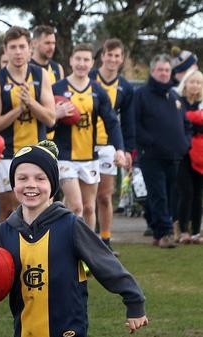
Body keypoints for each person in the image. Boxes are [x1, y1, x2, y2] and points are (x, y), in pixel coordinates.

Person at [0, 140, 148, 337]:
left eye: (40, 178)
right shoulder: (4, 233)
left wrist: (134, 302)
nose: (31, 185)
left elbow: (107, 265)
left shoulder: (70, 226)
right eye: (22, 178)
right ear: (13, 182)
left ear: (53, 184)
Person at [0, 26, 56, 224]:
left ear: (30, 48)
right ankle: (1, 254)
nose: (18, 52)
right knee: (9, 210)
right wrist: (18, 110)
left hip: (38, 152)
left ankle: (40, 253)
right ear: (5, 50)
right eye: (13, 47)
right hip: (7, 154)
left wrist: (31, 103)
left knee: (43, 209)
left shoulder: (41, 76)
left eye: (22, 46)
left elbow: (51, 119)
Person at [52, 43, 125, 230]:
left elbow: (111, 122)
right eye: (78, 59)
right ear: (70, 61)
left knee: (88, 208)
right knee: (75, 206)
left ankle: (88, 251)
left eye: (86, 60)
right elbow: (45, 121)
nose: (81, 64)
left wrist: (120, 149)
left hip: (90, 157)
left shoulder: (97, 91)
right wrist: (55, 115)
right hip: (65, 157)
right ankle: (69, 248)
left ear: (92, 63)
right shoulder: (57, 89)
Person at [134, 54, 191, 248]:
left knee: (170, 194)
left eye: (167, 70)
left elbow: (186, 124)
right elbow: (135, 124)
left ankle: (155, 226)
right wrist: (149, 142)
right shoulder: (141, 94)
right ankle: (164, 233)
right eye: (160, 70)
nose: (164, 73)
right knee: (159, 195)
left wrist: (185, 143)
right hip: (151, 156)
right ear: (152, 72)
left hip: (175, 156)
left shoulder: (174, 96)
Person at [89, 39, 135, 253]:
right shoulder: (89, 79)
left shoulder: (125, 86)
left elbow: (126, 121)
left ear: (122, 59)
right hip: (84, 146)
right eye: (110, 54)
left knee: (104, 196)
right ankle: (81, 240)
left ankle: (105, 241)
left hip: (109, 147)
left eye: (117, 56)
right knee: (81, 200)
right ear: (102, 56)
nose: (113, 59)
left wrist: (125, 149)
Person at [175, 69, 203, 244]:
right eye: (192, 82)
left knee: (198, 193)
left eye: (199, 83)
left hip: (199, 155)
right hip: (183, 153)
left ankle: (195, 231)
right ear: (186, 83)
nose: (195, 85)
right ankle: (182, 229)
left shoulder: (200, 104)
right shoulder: (179, 102)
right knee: (186, 192)